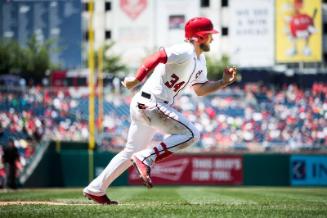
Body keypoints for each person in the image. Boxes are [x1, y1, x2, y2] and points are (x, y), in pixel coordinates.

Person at [83, 17, 237, 205]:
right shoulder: (185, 50)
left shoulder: (200, 59)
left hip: (145, 104)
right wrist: (136, 79)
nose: (212, 39)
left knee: (129, 152)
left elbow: (200, 89)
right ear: (199, 37)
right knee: (192, 134)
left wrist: (222, 82)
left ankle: (96, 189)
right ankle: (146, 158)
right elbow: (157, 56)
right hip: (152, 103)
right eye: (209, 35)